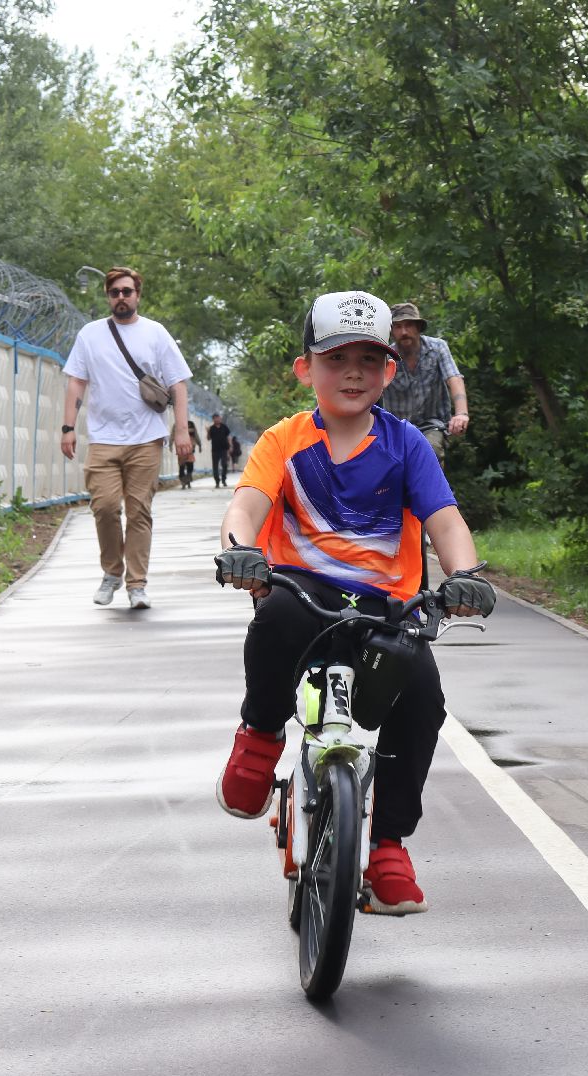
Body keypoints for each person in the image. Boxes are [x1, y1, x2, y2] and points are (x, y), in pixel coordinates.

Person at [212, 290, 496, 915]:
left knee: (422, 694)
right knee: (275, 620)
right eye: (336, 358)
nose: (353, 373)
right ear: (305, 368)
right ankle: (259, 738)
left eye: (369, 360)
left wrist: (466, 575)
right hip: (302, 590)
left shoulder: (406, 445)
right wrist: (240, 551)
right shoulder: (284, 440)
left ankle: (388, 844)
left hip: (384, 604)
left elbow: (446, 520)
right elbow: (246, 506)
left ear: (389, 371)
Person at [61, 266, 193, 609]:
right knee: (104, 507)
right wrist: (68, 427)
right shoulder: (90, 335)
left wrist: (181, 430)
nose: (121, 297)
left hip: (146, 439)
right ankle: (112, 572)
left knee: (139, 512)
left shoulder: (155, 333)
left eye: (127, 291)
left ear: (138, 295)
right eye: (115, 292)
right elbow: (76, 381)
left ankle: (137, 584)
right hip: (103, 438)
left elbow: (178, 383)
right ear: (108, 296)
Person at [378, 301, 470, 461]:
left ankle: (433, 477)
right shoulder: (385, 358)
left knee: (429, 452)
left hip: (432, 424)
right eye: (398, 327)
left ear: (418, 327)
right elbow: (371, 390)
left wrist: (461, 414)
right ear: (392, 331)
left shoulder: (438, 348)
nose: (404, 332)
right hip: (397, 428)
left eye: (408, 325)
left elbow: (454, 378)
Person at [207, 412, 231, 487]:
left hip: (224, 449)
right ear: (213, 419)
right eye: (215, 418)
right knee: (215, 466)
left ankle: (223, 479)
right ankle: (217, 481)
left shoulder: (224, 427)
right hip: (215, 450)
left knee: (224, 464)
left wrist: (230, 447)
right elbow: (208, 438)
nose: (217, 419)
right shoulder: (211, 428)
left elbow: (228, 437)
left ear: (220, 418)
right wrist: (208, 431)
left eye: (218, 418)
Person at [178, 419, 202, 489]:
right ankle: (183, 482)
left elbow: (196, 435)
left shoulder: (191, 425)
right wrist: (170, 443)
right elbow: (174, 434)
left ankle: (187, 480)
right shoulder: (178, 425)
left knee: (190, 467)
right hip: (181, 451)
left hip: (190, 450)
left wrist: (199, 445)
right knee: (181, 467)